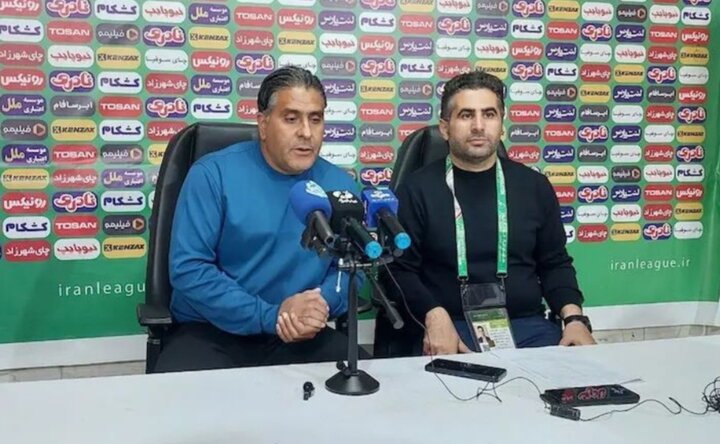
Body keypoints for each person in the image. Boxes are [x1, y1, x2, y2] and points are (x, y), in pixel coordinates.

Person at [154, 66, 360, 372]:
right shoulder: (213, 175)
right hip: (212, 331)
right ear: (263, 124)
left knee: (367, 387)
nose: (306, 132)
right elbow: (190, 269)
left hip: (300, 333)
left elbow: (349, 266)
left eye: (315, 119)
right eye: (291, 118)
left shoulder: (341, 187)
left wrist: (321, 304)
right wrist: (270, 315)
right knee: (181, 396)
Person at [389, 70, 595, 355]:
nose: (478, 126)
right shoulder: (416, 190)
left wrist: (574, 319)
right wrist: (433, 315)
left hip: (527, 328)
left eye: (489, 114)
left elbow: (555, 263)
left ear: (502, 125)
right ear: (445, 128)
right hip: (450, 327)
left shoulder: (534, 186)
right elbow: (399, 271)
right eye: (466, 115)